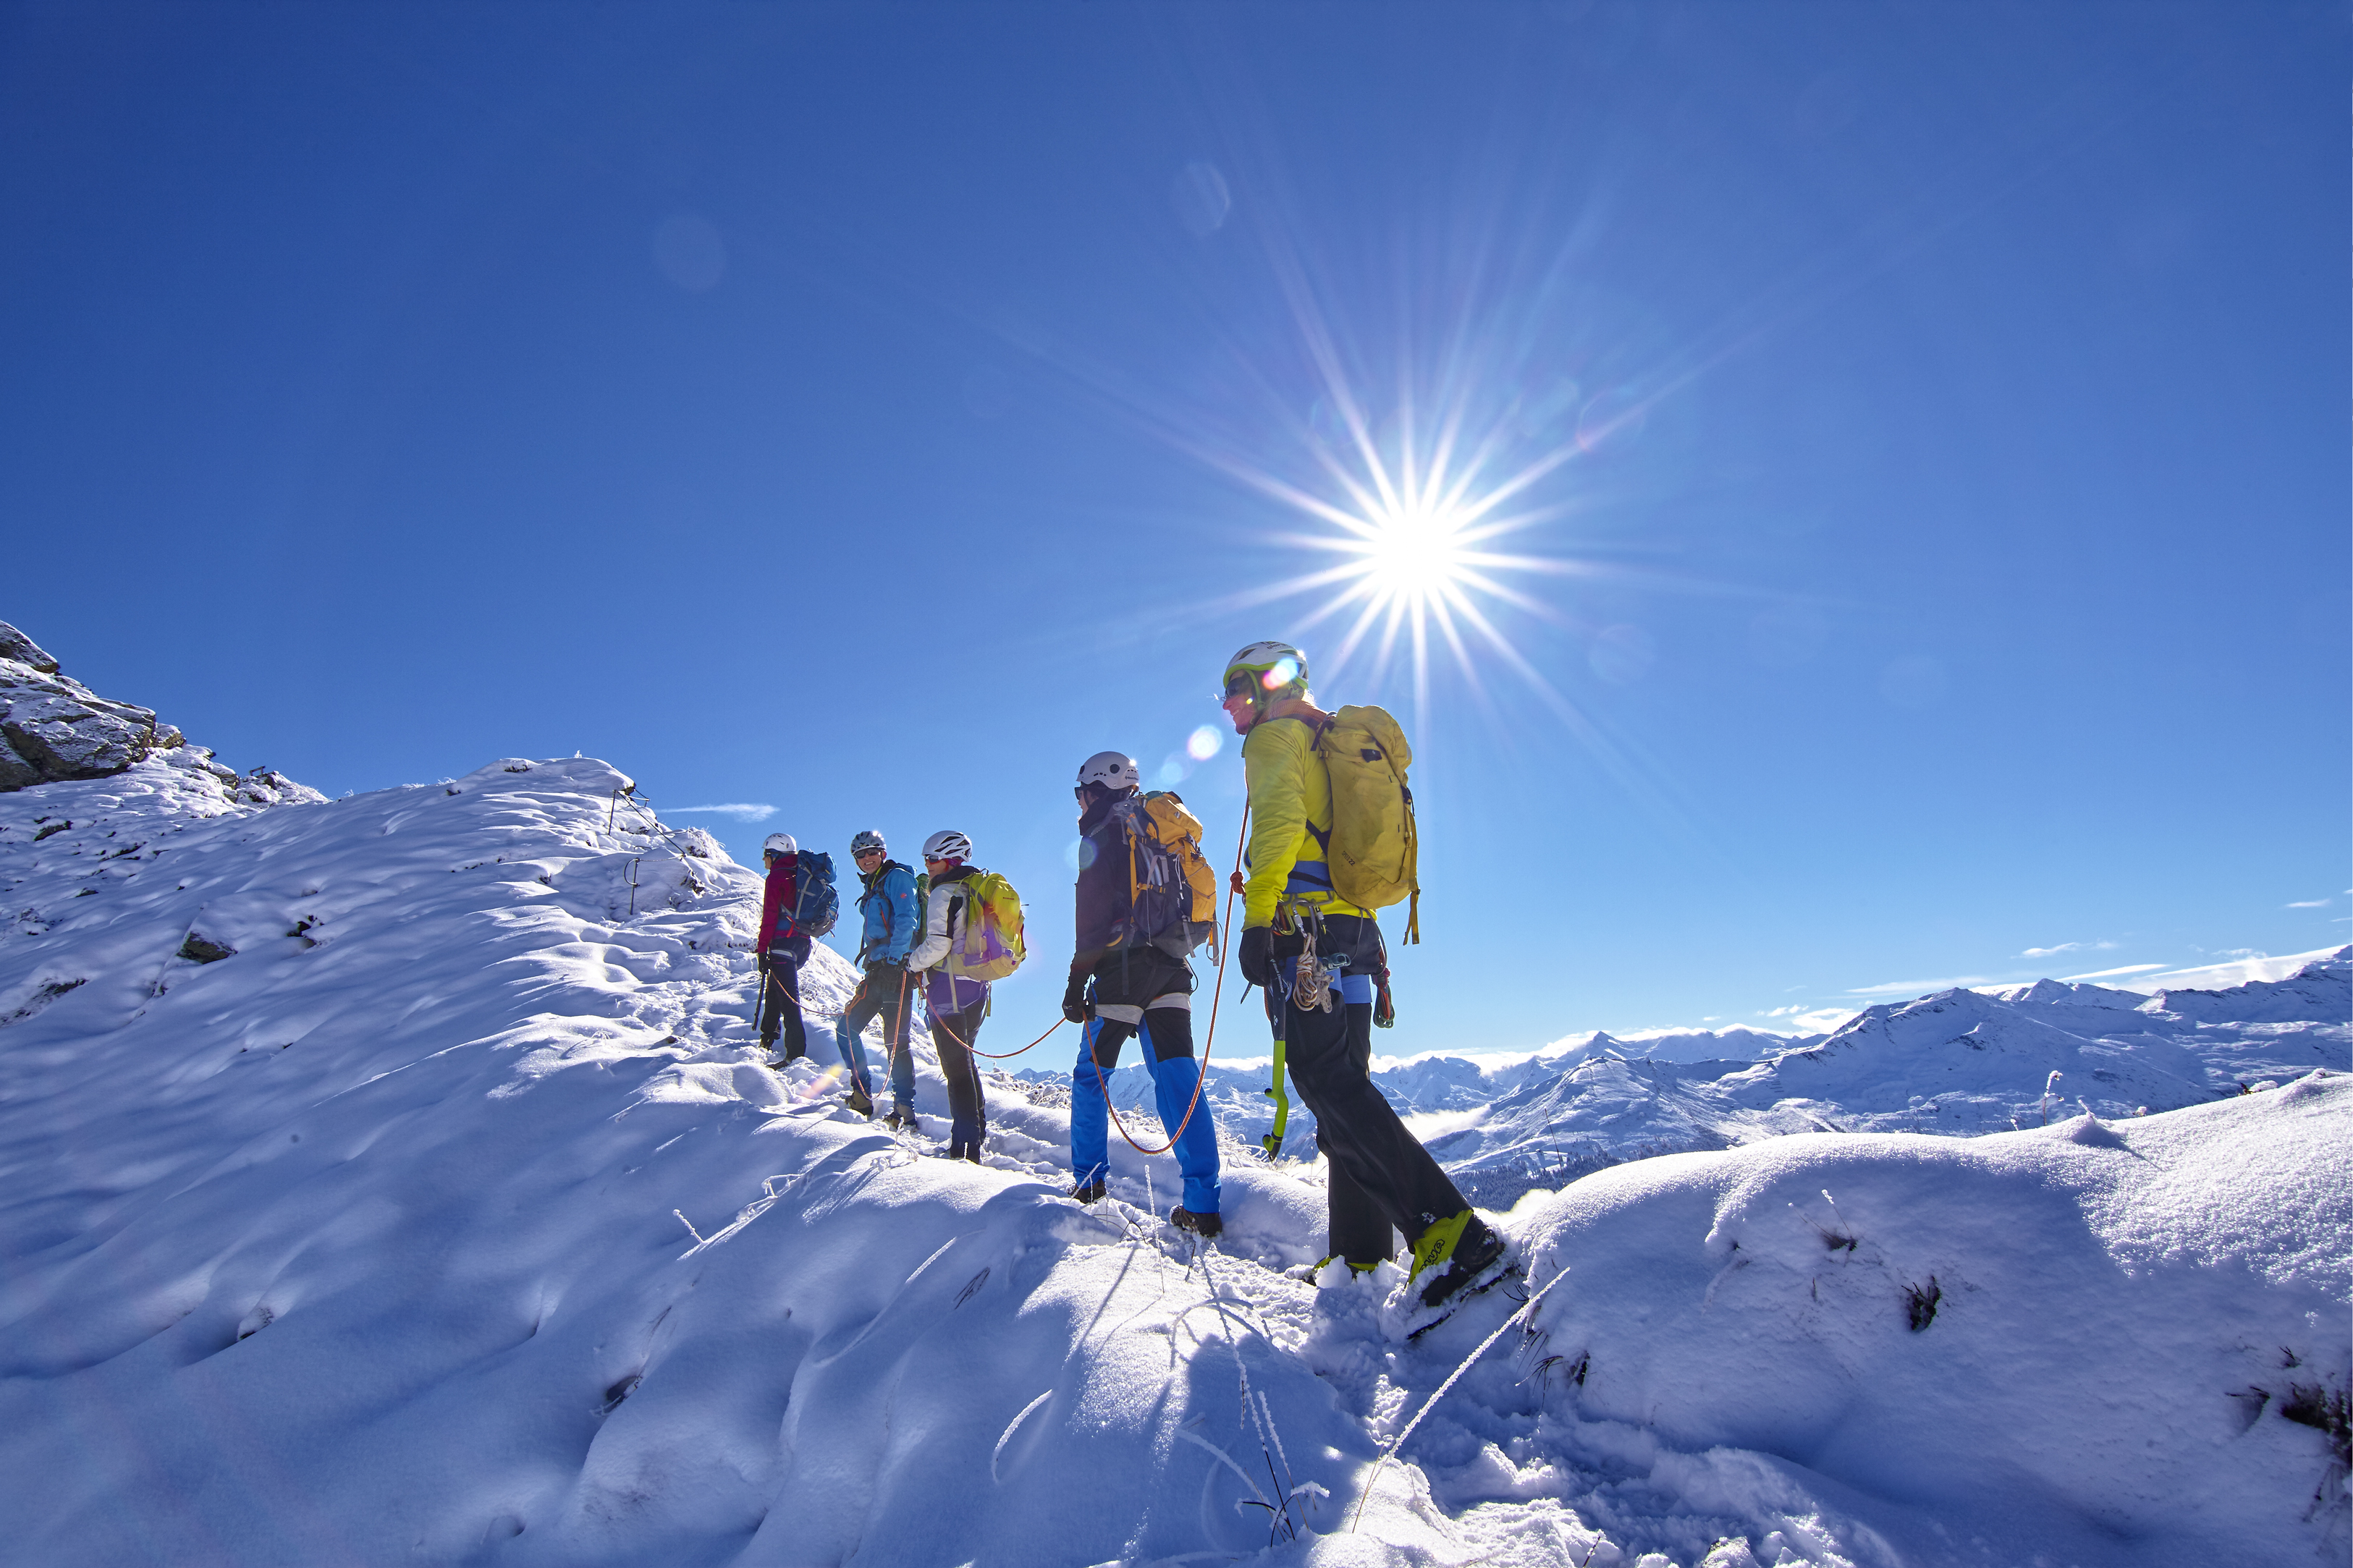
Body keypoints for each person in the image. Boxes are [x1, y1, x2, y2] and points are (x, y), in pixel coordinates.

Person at [1220, 640, 1504, 1310]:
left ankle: (1455, 1237)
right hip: (1355, 935)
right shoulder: (1329, 740)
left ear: (1264, 687)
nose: (1227, 703)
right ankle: (1361, 1257)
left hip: (1304, 936)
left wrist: (1258, 920)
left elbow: (1282, 826)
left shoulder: (1273, 740)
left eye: (1234, 687)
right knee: (1341, 1089)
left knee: (1329, 1086)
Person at [1063, 751, 1222, 1237]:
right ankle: (1202, 1203)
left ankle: (1089, 1184)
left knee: (1091, 1077)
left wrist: (1075, 982)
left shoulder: (1101, 834)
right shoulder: (1156, 827)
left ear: (1094, 788)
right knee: (1178, 1079)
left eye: (1080, 791)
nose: (1078, 801)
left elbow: (1090, 918)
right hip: (1173, 967)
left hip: (1122, 971)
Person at [904, 829, 992, 1162]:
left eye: (932, 859)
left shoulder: (944, 893)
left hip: (949, 987)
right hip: (977, 986)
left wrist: (912, 962)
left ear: (949, 860)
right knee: (966, 1061)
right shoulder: (975, 886)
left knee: (955, 1069)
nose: (927, 865)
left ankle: (965, 1147)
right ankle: (976, 1133)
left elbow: (938, 944)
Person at [836, 828, 919, 1122]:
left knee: (896, 1042)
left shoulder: (897, 877)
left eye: (872, 852)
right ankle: (862, 1095)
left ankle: (904, 1108)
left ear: (882, 853)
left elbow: (908, 918)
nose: (867, 858)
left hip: (897, 971)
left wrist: (896, 962)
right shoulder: (874, 885)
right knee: (846, 1027)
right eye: (860, 854)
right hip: (878, 969)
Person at [755, 832, 813, 1064]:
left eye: (766, 855)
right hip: (803, 944)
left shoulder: (776, 877)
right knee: (776, 989)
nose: (764, 861)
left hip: (783, 943)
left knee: (789, 1000)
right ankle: (767, 1038)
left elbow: (770, 917)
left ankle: (795, 1055)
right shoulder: (801, 873)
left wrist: (761, 950)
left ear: (774, 854)